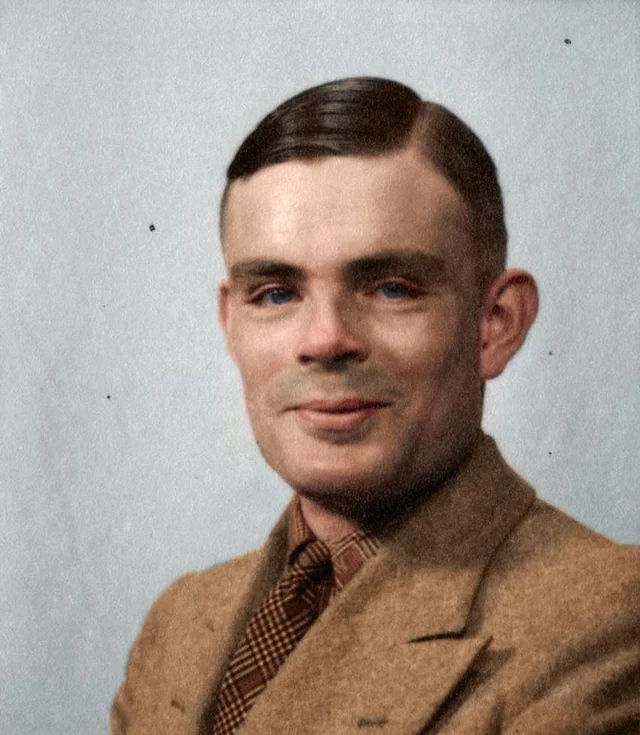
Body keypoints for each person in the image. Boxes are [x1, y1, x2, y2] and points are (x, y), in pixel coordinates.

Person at [111, 78, 640, 734]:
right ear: (230, 324)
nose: (324, 338)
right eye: (275, 293)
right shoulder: (183, 620)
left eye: (392, 287)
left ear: (496, 323)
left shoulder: (609, 616)